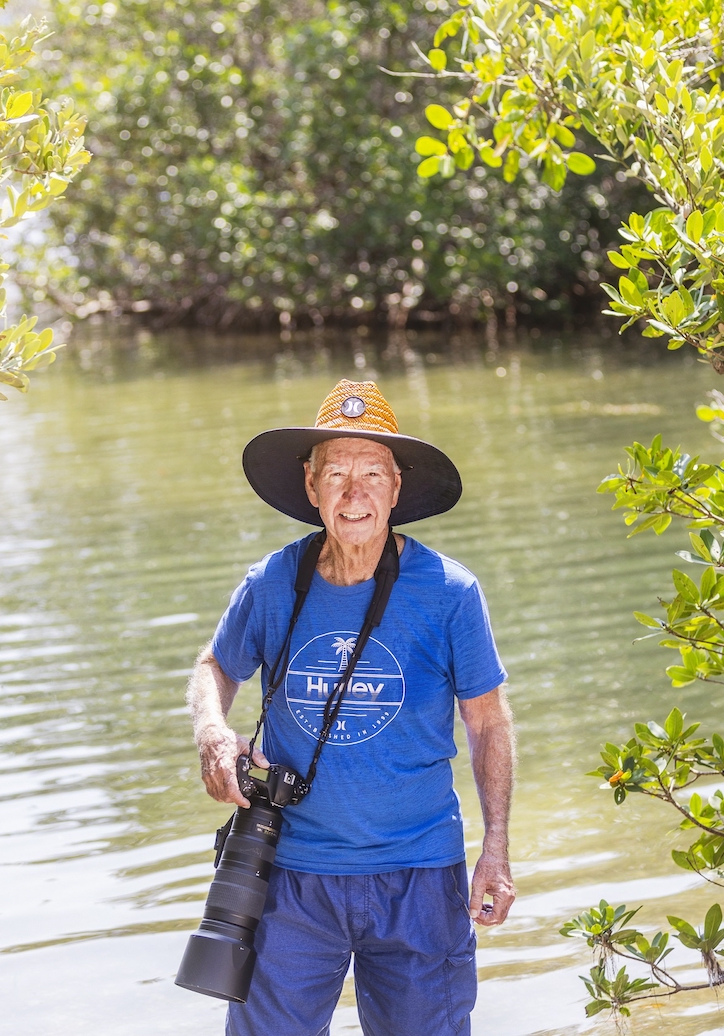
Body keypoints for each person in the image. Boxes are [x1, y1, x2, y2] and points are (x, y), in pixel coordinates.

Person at [186, 379, 515, 1036]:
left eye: (372, 474)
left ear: (398, 488)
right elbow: (215, 667)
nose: (354, 492)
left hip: (419, 874)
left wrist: (496, 849)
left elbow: (488, 722)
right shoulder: (275, 581)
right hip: (290, 877)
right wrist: (213, 733)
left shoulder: (449, 592)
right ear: (312, 488)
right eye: (336, 474)